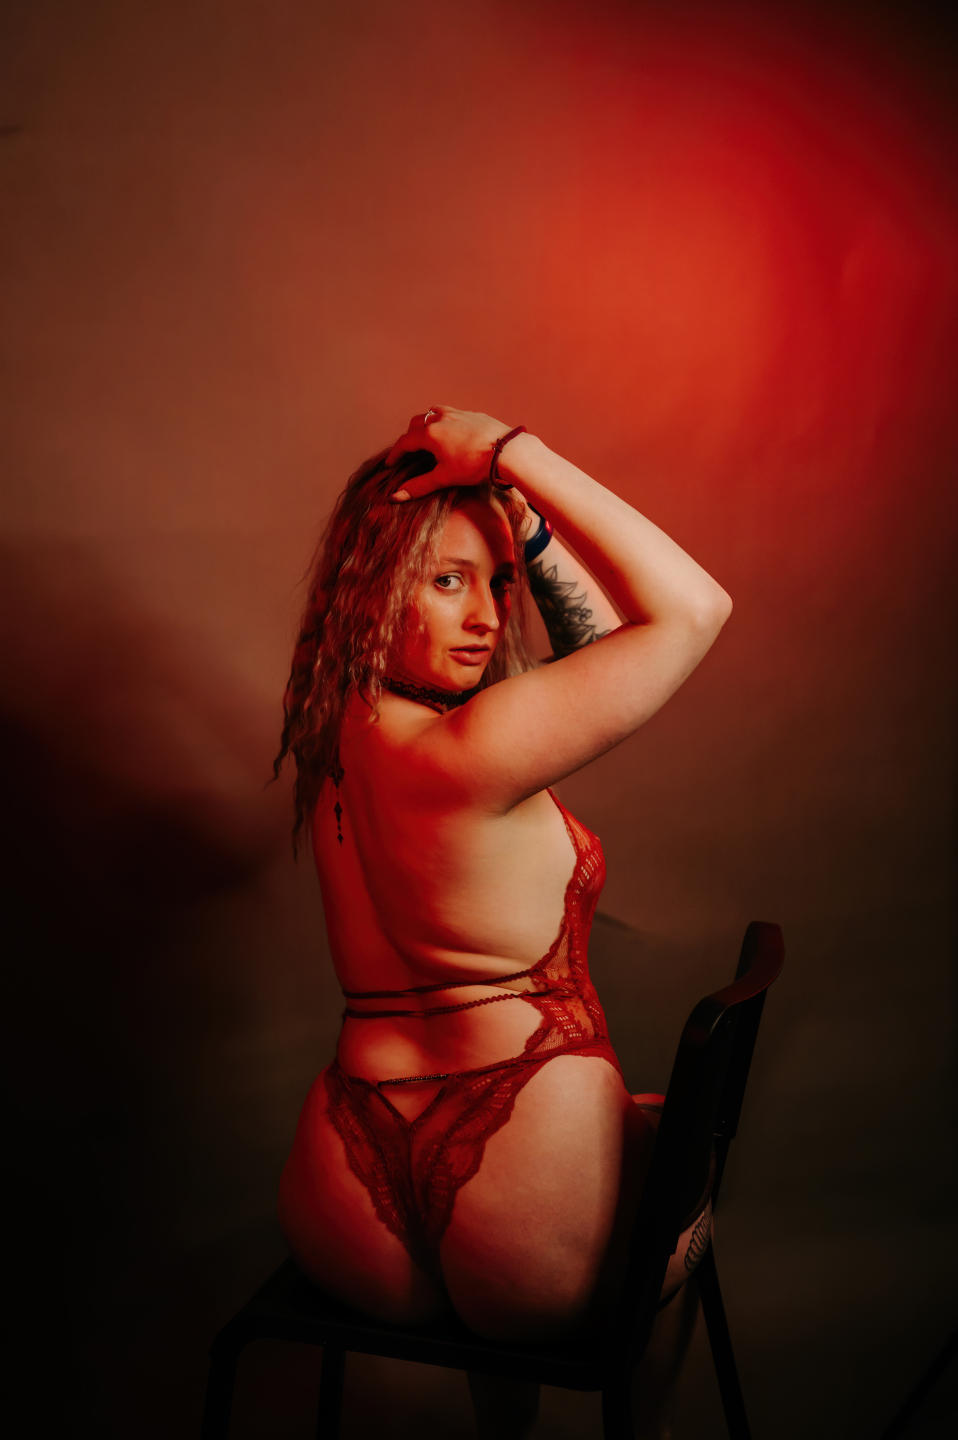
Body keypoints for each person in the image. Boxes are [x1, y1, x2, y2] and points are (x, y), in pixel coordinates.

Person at [274, 406, 731, 1435]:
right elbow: (692, 610)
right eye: (447, 581)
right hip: (525, 1169)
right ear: (373, 586)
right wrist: (515, 454)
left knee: (590, 1183)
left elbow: (591, 655)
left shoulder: (332, 728)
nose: (485, 617)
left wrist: (521, 532)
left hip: (345, 1191)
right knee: (680, 1154)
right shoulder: (475, 748)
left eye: (499, 583)